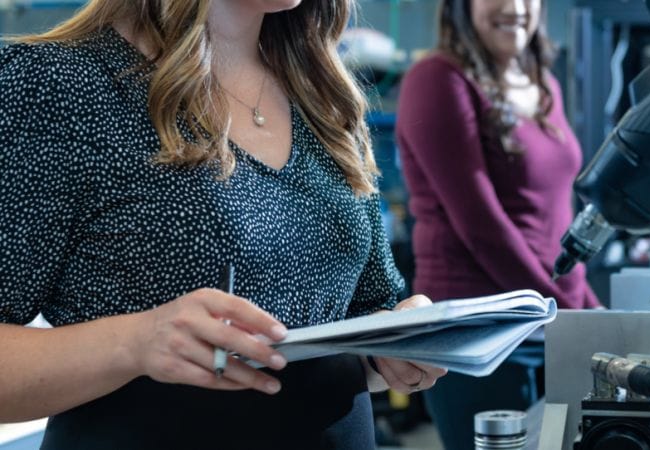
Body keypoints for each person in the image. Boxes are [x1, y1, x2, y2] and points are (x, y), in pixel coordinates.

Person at [0, 1, 447, 448]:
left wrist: (397, 343)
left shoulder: (322, 94)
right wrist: (134, 343)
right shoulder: (58, 84)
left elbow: (365, 319)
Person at [395, 0, 601, 448]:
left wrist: (594, 314)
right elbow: (481, 225)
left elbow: (554, 218)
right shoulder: (437, 80)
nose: (514, 7)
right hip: (481, 332)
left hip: (547, 318)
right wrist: (569, 312)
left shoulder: (543, 85)